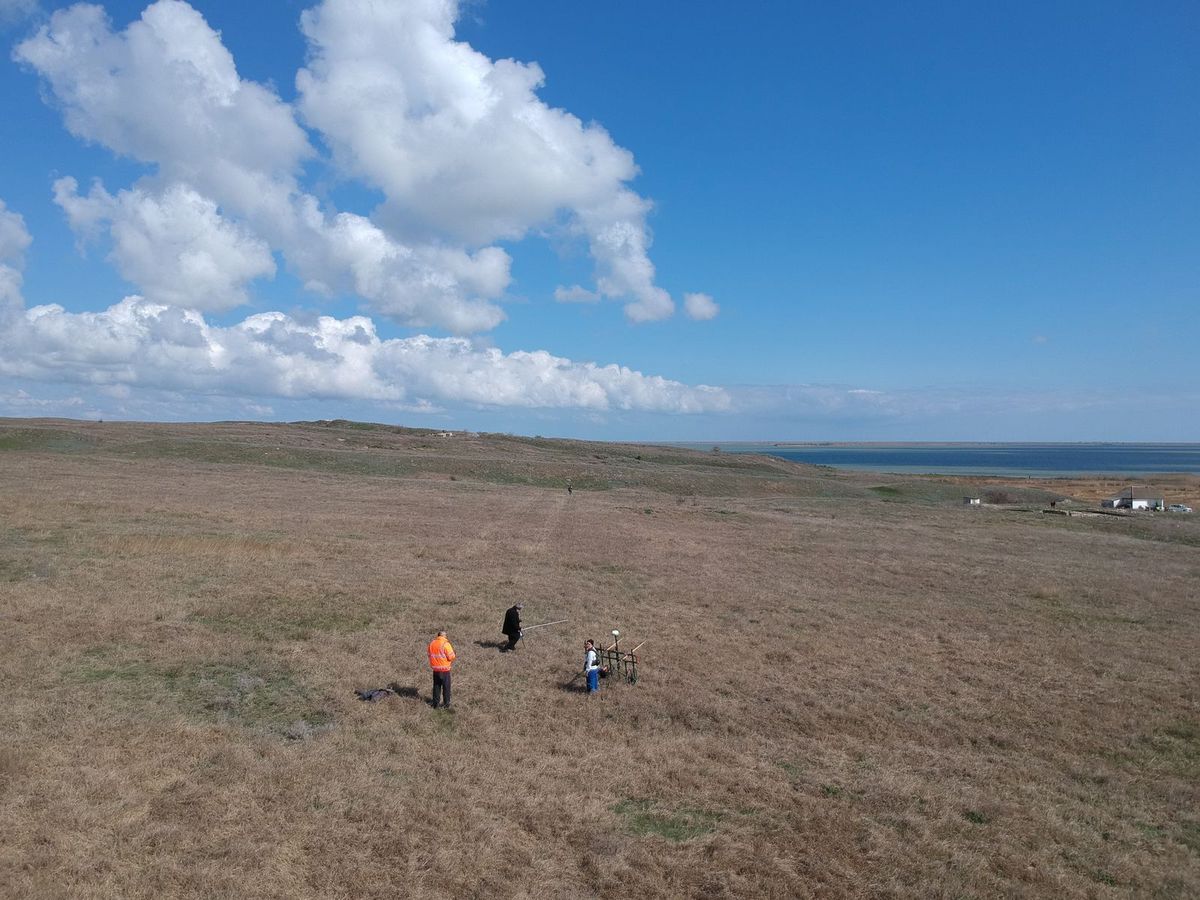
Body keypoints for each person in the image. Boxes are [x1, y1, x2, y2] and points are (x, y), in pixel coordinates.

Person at [427, 630, 455, 709]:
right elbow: (451, 657)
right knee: (446, 688)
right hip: (445, 670)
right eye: (445, 635)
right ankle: (446, 705)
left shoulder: (432, 643)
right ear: (443, 636)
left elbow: (429, 655)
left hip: (435, 670)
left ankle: (435, 704)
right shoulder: (446, 644)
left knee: (436, 687)